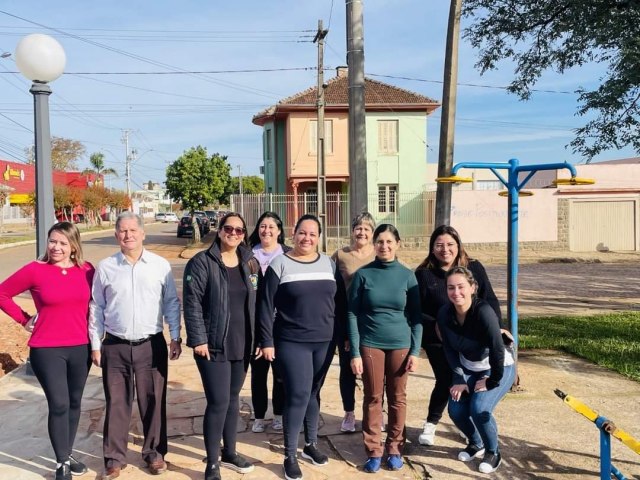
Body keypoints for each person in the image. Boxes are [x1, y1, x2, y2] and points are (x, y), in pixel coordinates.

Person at [89, 212, 182, 480]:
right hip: (115, 346)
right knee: (117, 402)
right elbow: (97, 306)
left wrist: (175, 336)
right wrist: (96, 345)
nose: (128, 235)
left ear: (143, 233)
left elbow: (171, 304)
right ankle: (114, 458)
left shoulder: (160, 265)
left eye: (132, 230)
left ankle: (154, 453)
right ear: (116, 234)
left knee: (153, 401)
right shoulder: (106, 267)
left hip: (151, 345)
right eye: (122, 230)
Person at [0, 222, 94, 480]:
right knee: (59, 403)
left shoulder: (87, 270)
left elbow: (98, 304)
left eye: (63, 243)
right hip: (47, 348)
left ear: (74, 246)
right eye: (53, 241)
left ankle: (68, 452)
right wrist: (24, 319)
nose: (56, 247)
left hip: (80, 347)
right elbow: (2, 293)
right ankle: (61, 462)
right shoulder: (35, 270)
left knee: (75, 403)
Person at [258, 214, 337, 480]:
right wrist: (266, 341)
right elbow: (265, 305)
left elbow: (339, 302)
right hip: (291, 342)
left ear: (319, 237)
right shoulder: (280, 263)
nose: (307, 238)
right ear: (293, 233)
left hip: (324, 342)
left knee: (314, 392)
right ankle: (290, 454)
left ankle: (310, 445)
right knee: (298, 394)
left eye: (313, 234)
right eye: (302, 233)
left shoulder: (328, 263)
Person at [183, 212, 259, 480]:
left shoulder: (250, 262)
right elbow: (191, 303)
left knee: (233, 399)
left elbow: (257, 303)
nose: (234, 234)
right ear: (219, 230)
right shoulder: (202, 263)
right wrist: (198, 338)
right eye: (229, 228)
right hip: (213, 344)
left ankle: (230, 452)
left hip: (243, 342)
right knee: (218, 401)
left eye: (239, 230)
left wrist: (260, 338)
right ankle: (212, 463)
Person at [414, 225, 502, 447]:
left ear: (458, 245)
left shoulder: (473, 268)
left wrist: (497, 328)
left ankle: (467, 424)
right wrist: (435, 326)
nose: (445, 250)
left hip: (472, 339)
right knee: (447, 379)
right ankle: (431, 423)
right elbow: (416, 310)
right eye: (439, 245)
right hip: (439, 339)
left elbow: (489, 300)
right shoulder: (424, 274)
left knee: (472, 381)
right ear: (432, 248)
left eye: (450, 244)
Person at [347, 224, 422, 473]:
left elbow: (416, 317)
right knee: (373, 397)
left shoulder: (407, 275)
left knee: (398, 399)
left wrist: (415, 351)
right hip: (371, 344)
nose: (384, 246)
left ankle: (395, 447)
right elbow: (352, 313)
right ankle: (374, 450)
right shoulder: (363, 275)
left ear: (398, 244)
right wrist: (355, 352)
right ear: (374, 244)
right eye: (380, 241)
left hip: (400, 345)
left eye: (389, 242)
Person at [437, 266, 515, 474]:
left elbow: (498, 349)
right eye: (451, 288)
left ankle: (493, 452)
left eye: (461, 287)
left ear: (472, 287)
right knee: (455, 409)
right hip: (469, 367)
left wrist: (492, 380)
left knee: (479, 409)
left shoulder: (483, 312)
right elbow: (449, 349)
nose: (456, 292)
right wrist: (458, 377)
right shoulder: (445, 313)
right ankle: (476, 443)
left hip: (498, 367)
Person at [331, 212, 376, 433]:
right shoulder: (340, 255)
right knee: (348, 368)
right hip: (347, 319)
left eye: (367, 229)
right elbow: (330, 287)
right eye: (358, 228)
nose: (362, 232)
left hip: (373, 321)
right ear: (352, 230)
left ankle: (376, 412)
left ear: (373, 233)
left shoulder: (380, 254)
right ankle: (349, 413)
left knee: (374, 370)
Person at [248, 211, 289, 433]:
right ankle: (259, 415)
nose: (266, 231)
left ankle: (279, 415)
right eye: (263, 226)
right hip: (255, 324)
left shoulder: (288, 255)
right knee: (258, 373)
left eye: (271, 227)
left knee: (280, 374)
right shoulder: (247, 256)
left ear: (279, 231)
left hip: (282, 325)